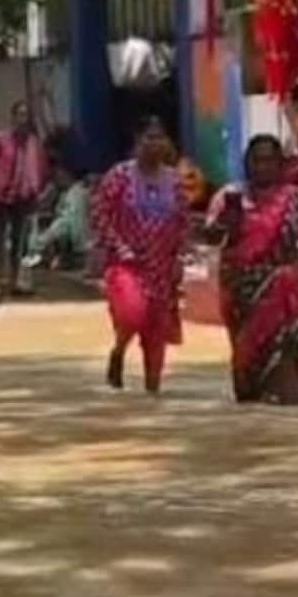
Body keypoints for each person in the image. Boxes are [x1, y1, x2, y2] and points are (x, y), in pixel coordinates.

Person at [205, 132, 298, 405]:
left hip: (286, 295)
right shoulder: (229, 197)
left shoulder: (296, 201)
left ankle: (287, 420)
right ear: (248, 163)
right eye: (257, 160)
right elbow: (211, 239)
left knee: (287, 357)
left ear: (280, 164)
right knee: (246, 370)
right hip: (241, 295)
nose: (263, 167)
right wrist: (228, 220)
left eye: (270, 160)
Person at [91, 117, 188, 395]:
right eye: (148, 138)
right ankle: (119, 350)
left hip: (161, 267)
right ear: (136, 143)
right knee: (133, 314)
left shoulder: (175, 181)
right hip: (127, 263)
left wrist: (180, 258)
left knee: (156, 336)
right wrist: (118, 245)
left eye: (159, 138)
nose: (154, 144)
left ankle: (152, 394)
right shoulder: (119, 176)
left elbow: (183, 223)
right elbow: (99, 214)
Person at [0, 99, 48, 296]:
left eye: (26, 115)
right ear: (13, 117)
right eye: (19, 115)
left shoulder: (34, 143)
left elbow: (41, 168)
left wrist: (37, 190)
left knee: (21, 243)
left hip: (25, 198)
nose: (22, 120)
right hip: (1, 197)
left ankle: (18, 280)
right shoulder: (0, 140)